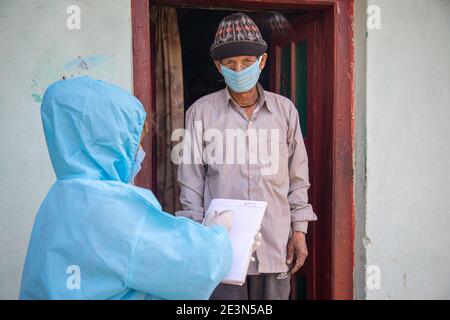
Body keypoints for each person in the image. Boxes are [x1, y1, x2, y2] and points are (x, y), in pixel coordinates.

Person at [19, 75, 232, 300]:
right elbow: (197, 266)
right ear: (108, 141)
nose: (140, 151)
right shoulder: (112, 210)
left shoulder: (59, 198)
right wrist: (218, 234)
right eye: (135, 142)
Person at [176, 12, 318, 300]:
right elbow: (190, 184)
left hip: (275, 245)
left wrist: (299, 231)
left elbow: (297, 177)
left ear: (262, 62)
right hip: (222, 249)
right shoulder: (200, 113)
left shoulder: (285, 111)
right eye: (230, 63)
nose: (238, 69)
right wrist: (196, 242)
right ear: (218, 66)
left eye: (246, 62)